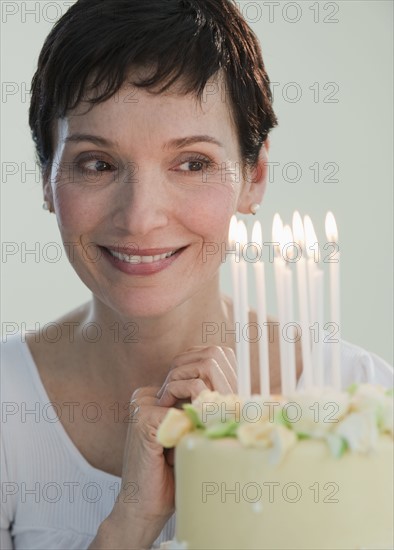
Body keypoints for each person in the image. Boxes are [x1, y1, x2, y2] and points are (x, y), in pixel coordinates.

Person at [1, 0, 392, 549]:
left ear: (253, 177)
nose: (140, 217)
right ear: (46, 179)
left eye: (192, 163)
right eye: (97, 163)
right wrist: (130, 522)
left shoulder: (364, 399)